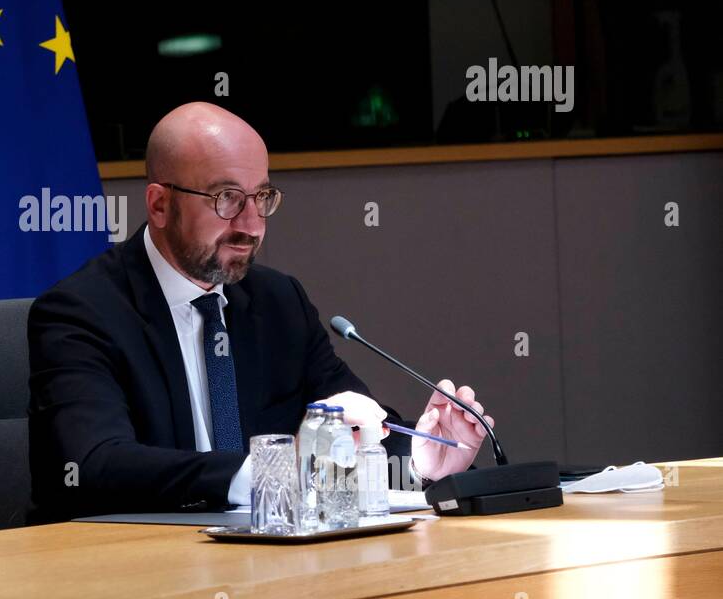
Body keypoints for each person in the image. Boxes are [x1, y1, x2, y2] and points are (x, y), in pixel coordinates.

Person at [27, 101, 495, 520]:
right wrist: (265, 472)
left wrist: (419, 456)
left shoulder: (277, 302)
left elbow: (350, 416)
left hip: (266, 565)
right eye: (226, 198)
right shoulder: (82, 312)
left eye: (262, 198)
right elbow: (94, 464)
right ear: (160, 205)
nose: (251, 225)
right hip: (131, 572)